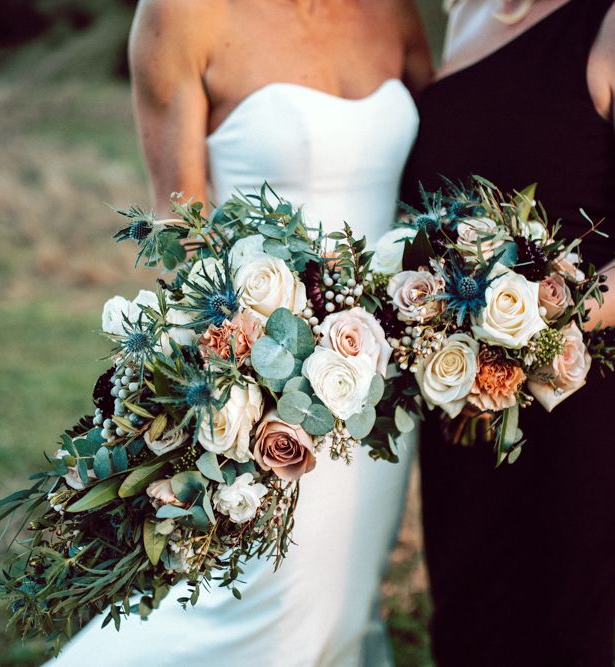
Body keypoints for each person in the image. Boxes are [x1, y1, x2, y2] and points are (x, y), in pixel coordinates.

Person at [47, 2, 432, 666]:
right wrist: (238, 377)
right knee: (269, 611)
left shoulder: (393, 10)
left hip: (384, 378)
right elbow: (179, 227)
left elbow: (441, 161)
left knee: (342, 596)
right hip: (268, 385)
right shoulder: (182, 14)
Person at [402, 0, 615, 665]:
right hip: (460, 394)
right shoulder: (468, 12)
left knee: (553, 638)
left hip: (581, 397)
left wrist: (537, 327)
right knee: (467, 627)